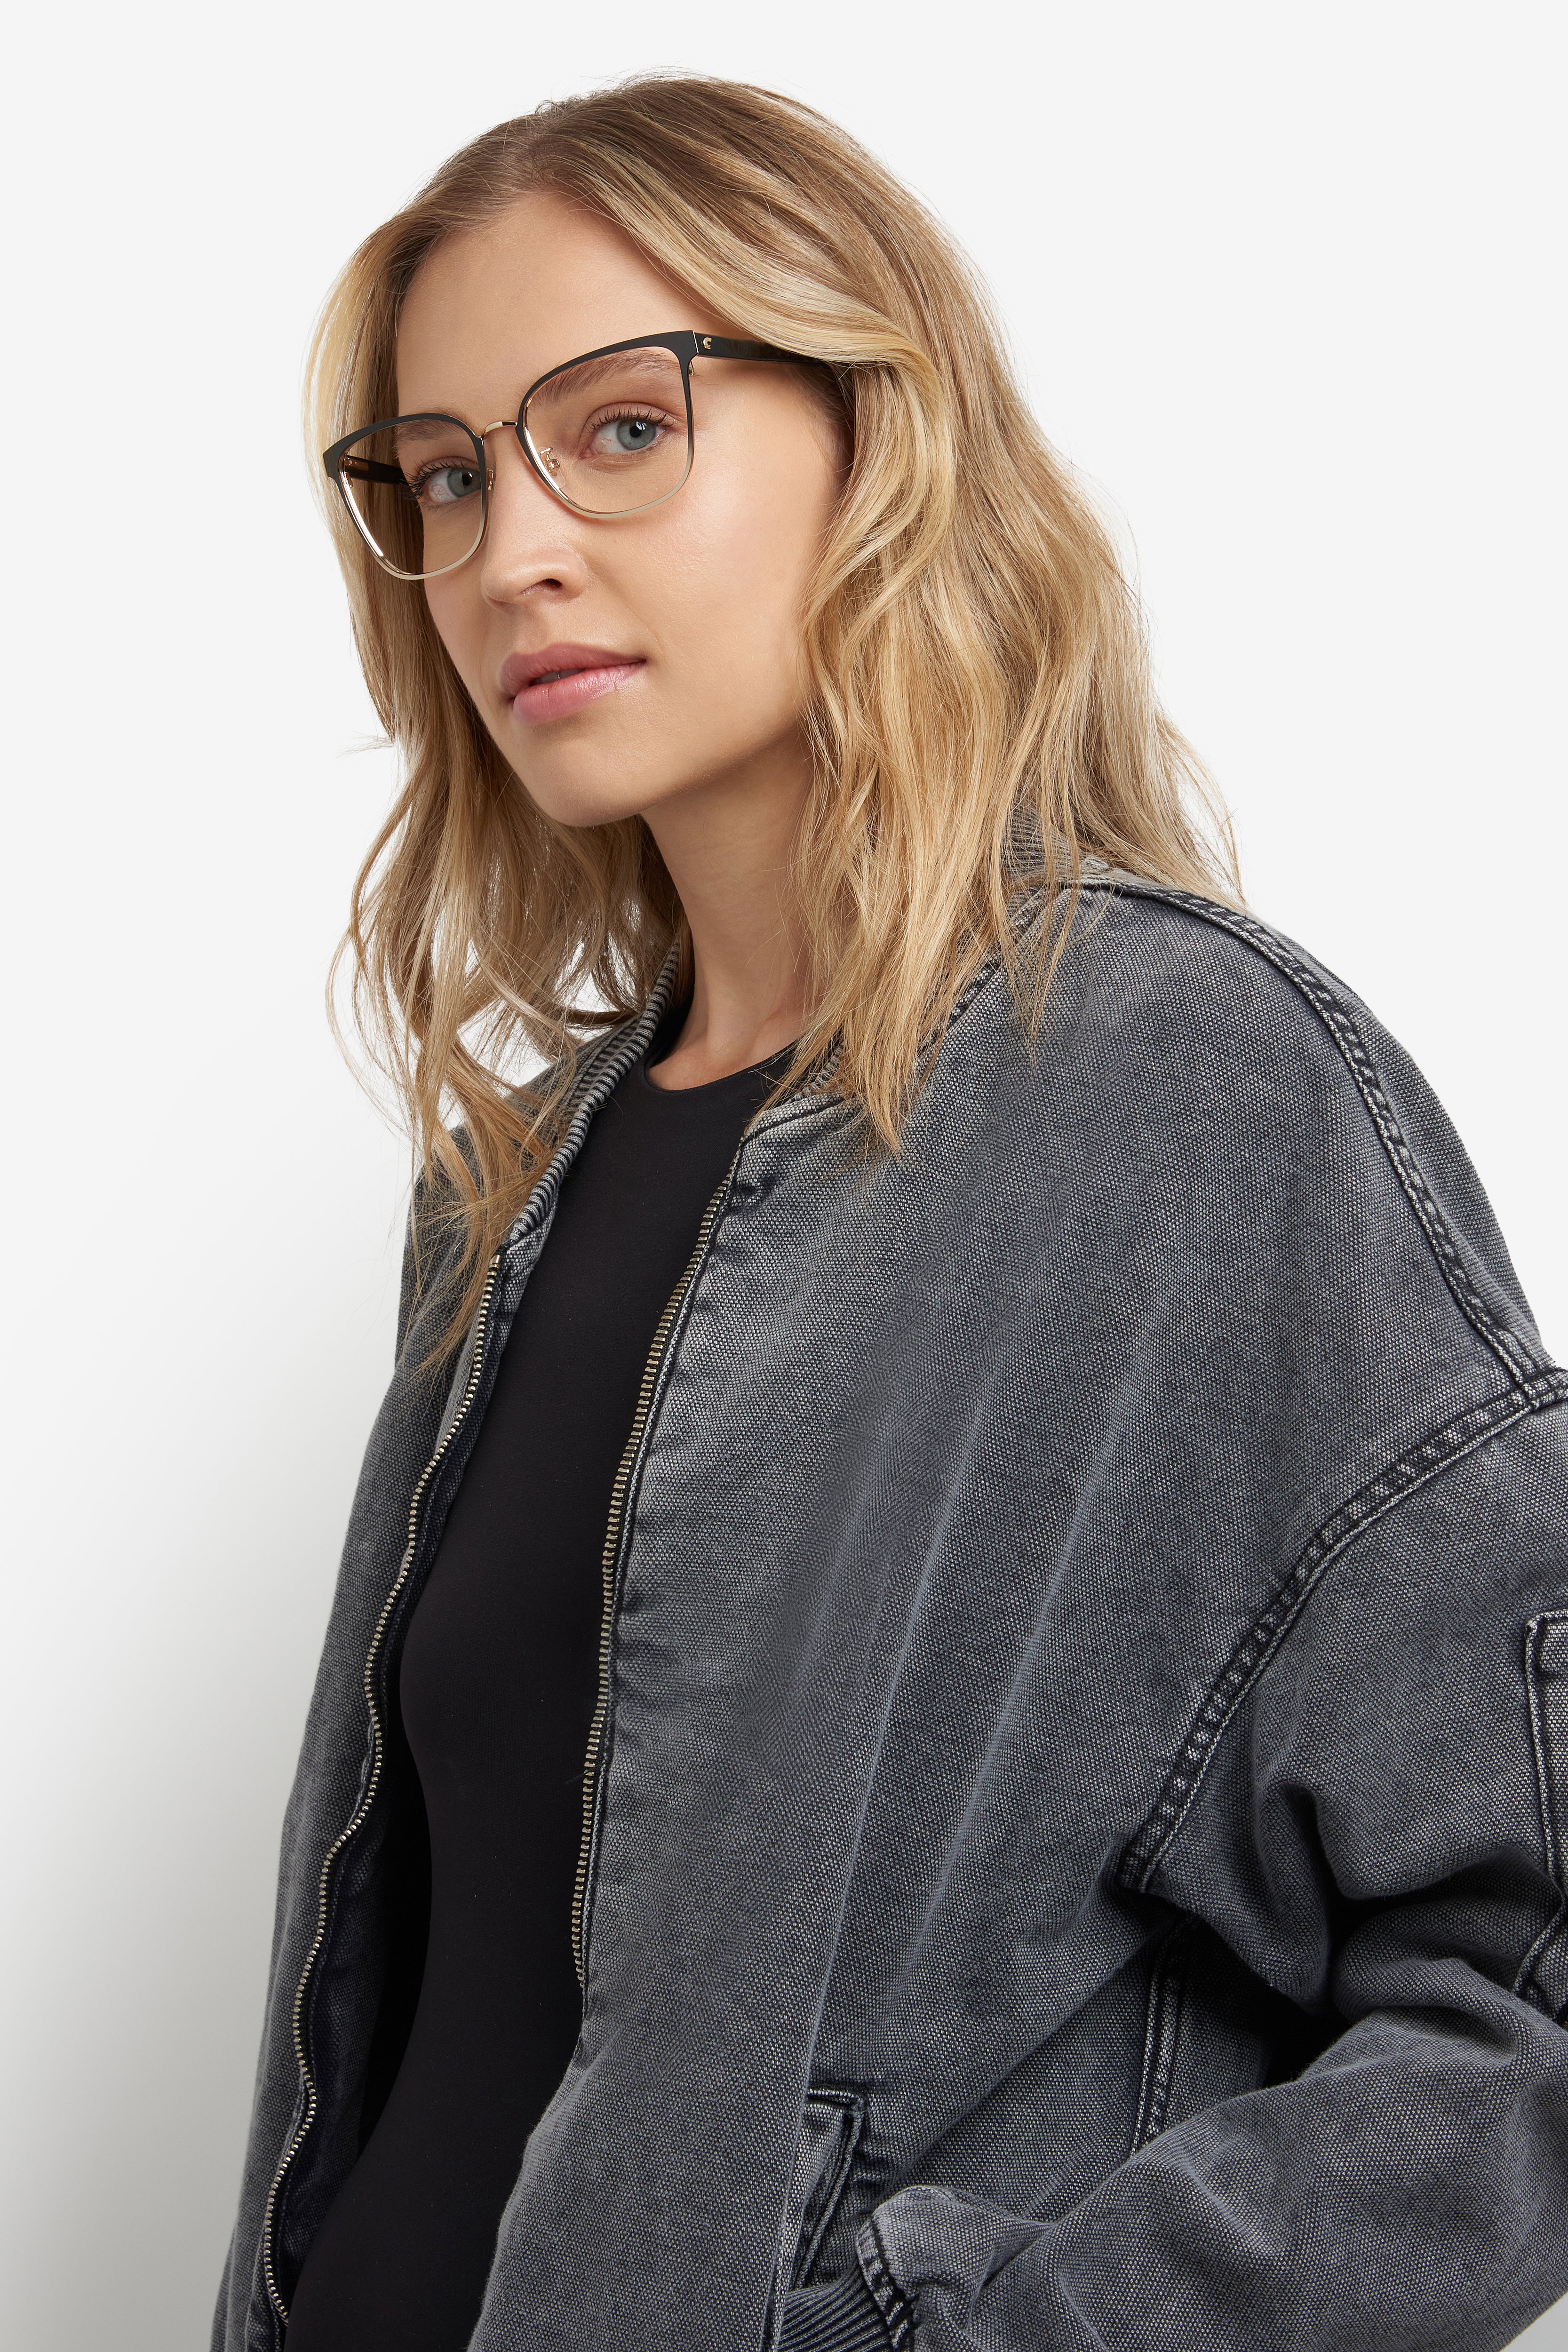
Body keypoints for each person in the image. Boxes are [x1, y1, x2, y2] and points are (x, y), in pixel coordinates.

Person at [213, 75, 1568, 2352]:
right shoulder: (510, 1185)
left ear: (883, 439)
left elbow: (1532, 1973)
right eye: (442, 476)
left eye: (618, 428)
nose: (509, 551)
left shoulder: (1177, 1092)